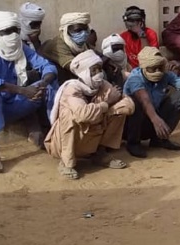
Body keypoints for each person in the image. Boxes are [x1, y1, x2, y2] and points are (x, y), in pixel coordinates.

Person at [0, 11, 58, 173]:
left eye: (15, 30)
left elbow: (47, 67)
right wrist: (22, 91)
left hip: (10, 103)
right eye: (7, 31)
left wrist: (43, 83)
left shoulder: (21, 49)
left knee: (48, 85)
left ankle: (53, 131)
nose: (13, 35)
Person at [45, 50, 134, 179]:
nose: (99, 74)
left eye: (100, 69)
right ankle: (66, 162)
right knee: (69, 115)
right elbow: (83, 115)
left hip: (91, 136)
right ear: (84, 72)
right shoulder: (71, 89)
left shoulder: (102, 85)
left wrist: (107, 110)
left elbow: (129, 105)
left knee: (120, 110)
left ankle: (100, 153)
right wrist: (107, 104)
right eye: (94, 70)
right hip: (64, 143)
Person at [122, 47, 180, 158]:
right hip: (132, 125)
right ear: (144, 67)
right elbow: (144, 99)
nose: (157, 72)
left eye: (159, 68)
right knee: (136, 103)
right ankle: (133, 143)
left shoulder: (165, 74)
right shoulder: (135, 78)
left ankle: (159, 139)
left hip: (153, 121)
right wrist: (155, 119)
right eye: (153, 69)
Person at [41, 12, 92, 82]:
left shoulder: (81, 44)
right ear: (65, 30)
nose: (83, 33)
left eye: (85, 29)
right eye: (78, 30)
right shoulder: (58, 44)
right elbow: (76, 67)